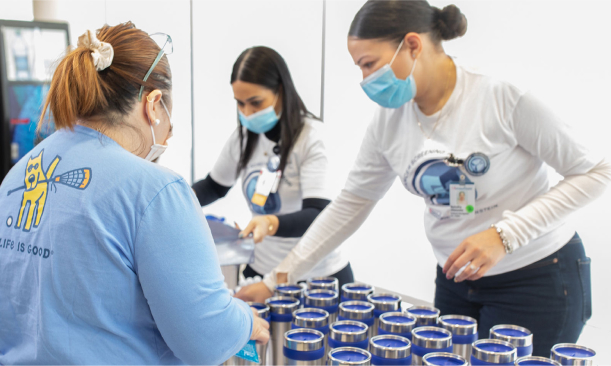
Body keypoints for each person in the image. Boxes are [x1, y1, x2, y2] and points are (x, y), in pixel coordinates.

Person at [235, 0, 611, 357]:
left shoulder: (500, 97)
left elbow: (596, 171)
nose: (365, 79)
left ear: (412, 45)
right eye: (359, 68)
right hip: (455, 282)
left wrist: (505, 235)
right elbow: (348, 207)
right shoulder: (390, 122)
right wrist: (275, 280)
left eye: (369, 64)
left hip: (535, 279)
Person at [0, 22, 268, 365]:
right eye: (169, 123)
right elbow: (205, 339)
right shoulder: (154, 190)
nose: (167, 136)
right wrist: (246, 321)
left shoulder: (18, 175)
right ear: (154, 104)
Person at [192, 46, 354, 285]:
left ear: (280, 91)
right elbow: (214, 187)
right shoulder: (244, 138)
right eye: (240, 103)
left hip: (317, 277)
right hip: (262, 271)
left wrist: (269, 223)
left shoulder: (311, 138)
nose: (247, 112)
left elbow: (319, 214)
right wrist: (176, 200)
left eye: (255, 102)